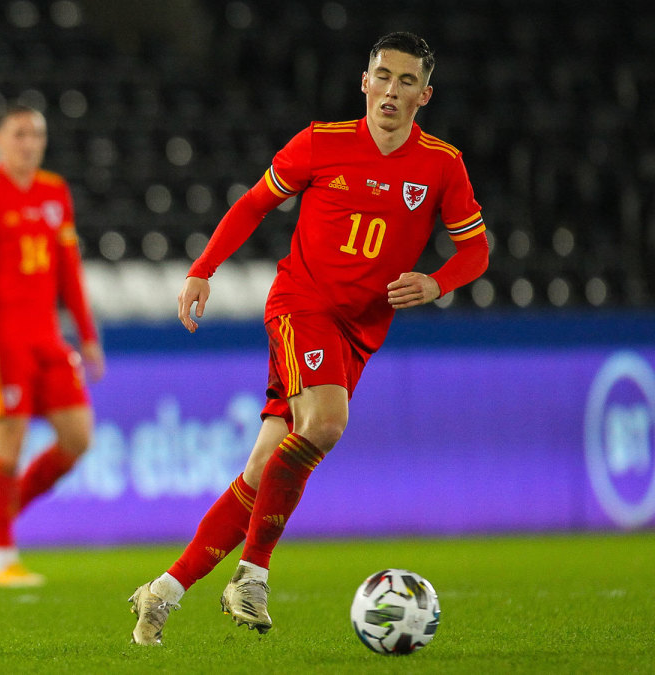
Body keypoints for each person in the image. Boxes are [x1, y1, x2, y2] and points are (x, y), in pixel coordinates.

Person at [129, 32, 490, 645]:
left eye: (407, 82)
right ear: (364, 81)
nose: (392, 91)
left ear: (424, 95)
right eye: (383, 76)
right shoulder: (321, 142)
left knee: (267, 464)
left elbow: (475, 249)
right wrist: (201, 270)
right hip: (302, 305)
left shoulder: (441, 164)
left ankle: (163, 591)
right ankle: (252, 574)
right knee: (325, 422)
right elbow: (253, 204)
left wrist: (437, 282)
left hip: (361, 330)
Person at [0, 105, 104, 587]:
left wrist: (87, 333)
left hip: (47, 339)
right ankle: (3, 558)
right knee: (9, 450)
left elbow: (68, 269)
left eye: (37, 133)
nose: (29, 142)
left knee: (78, 439)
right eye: (19, 133)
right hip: (1, 344)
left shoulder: (54, 192)